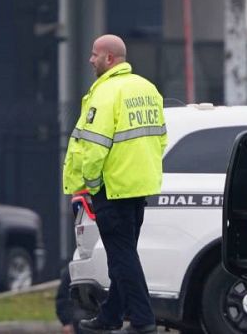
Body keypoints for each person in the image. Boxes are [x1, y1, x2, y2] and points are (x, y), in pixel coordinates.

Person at [63, 35, 167, 334]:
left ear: (110, 59)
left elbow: (94, 147)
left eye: (95, 54)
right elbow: (160, 138)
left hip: (112, 187)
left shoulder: (107, 93)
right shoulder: (147, 88)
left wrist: (93, 184)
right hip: (138, 186)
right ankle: (110, 316)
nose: (90, 59)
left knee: (122, 258)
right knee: (123, 256)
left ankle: (143, 321)